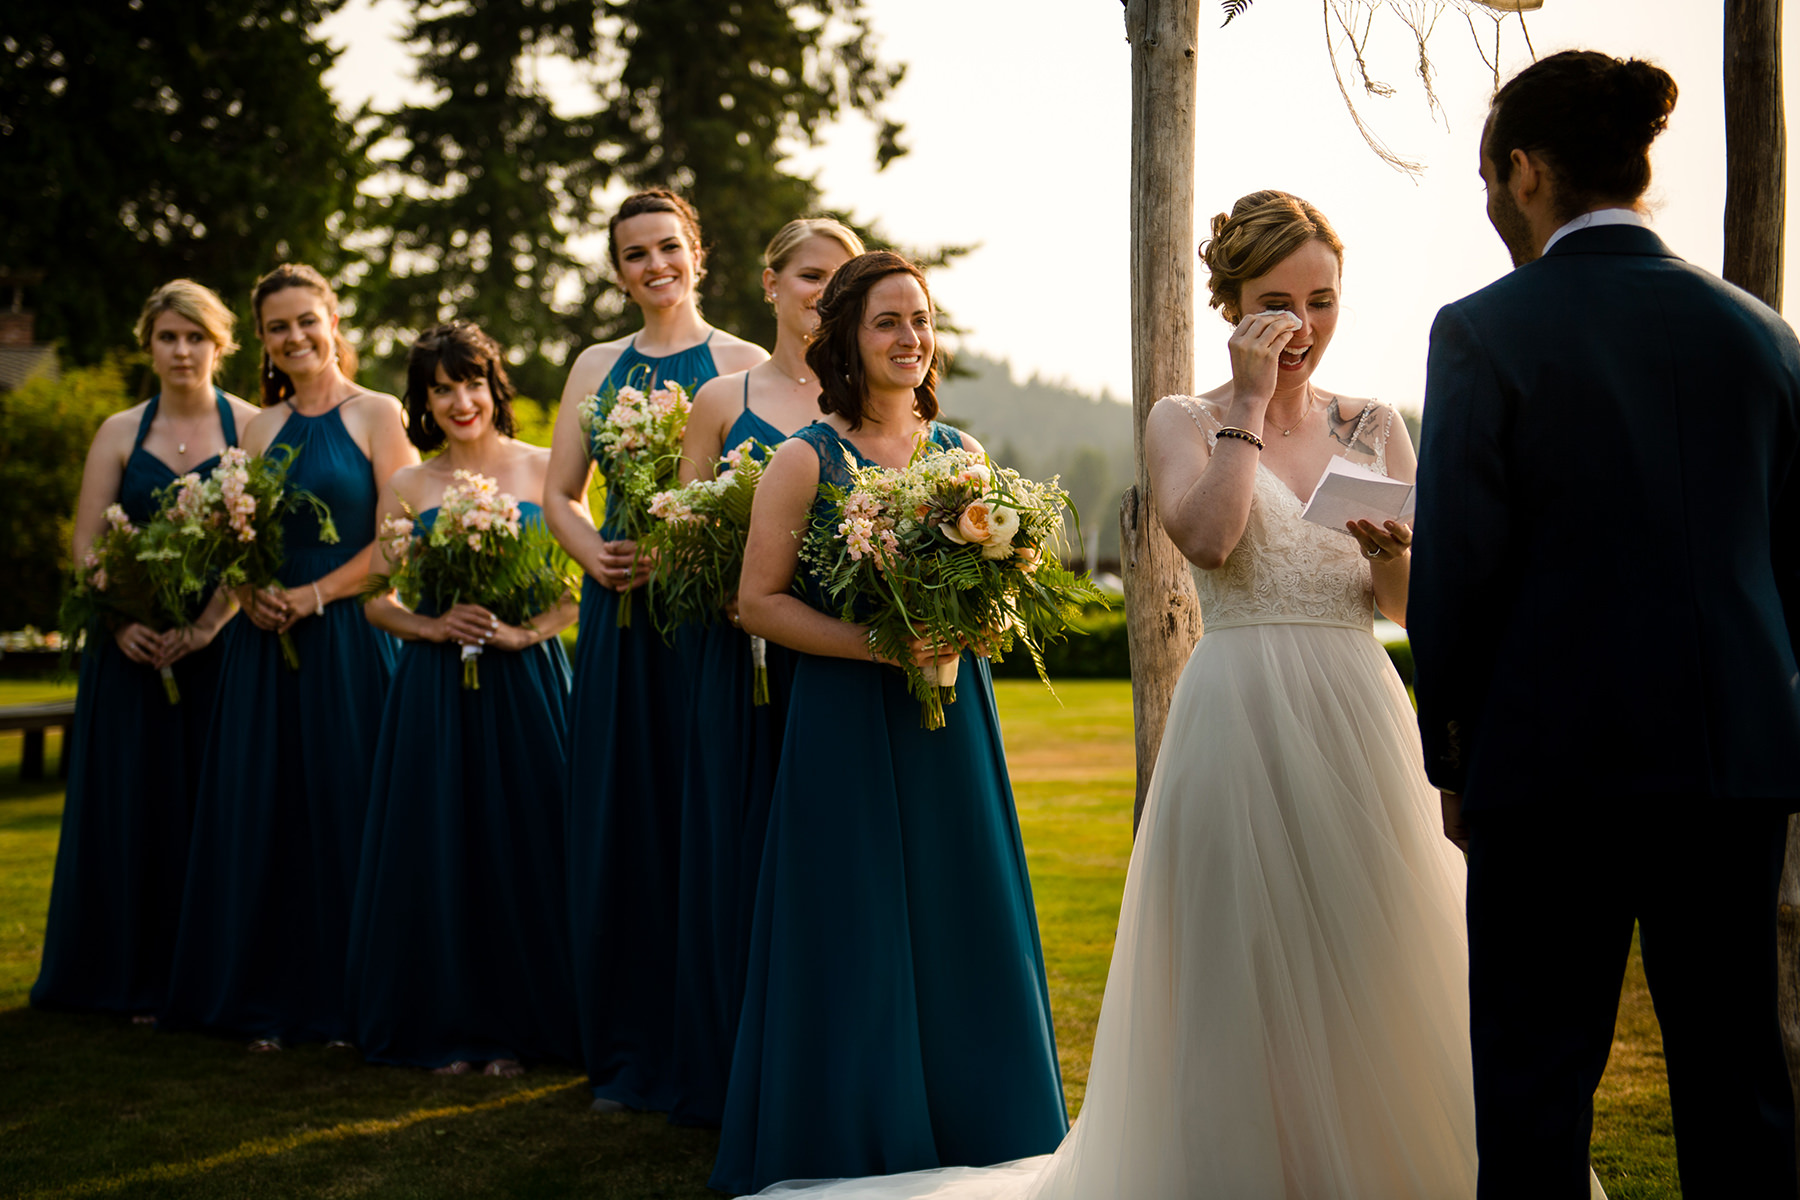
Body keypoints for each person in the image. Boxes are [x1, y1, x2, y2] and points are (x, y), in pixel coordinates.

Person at [1410, 50, 1800, 1198]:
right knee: (1739, 1082)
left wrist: (1454, 758)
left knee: (1535, 1090)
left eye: (1490, 176)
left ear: (1525, 171)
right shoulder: (1765, 337)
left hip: (1548, 773)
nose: (1491, 200)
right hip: (1733, 766)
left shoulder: (1486, 329)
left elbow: (1457, 578)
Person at [713, 250, 1068, 1195]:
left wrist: (979, 622)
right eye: (887, 322)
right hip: (843, 723)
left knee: (963, 906)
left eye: (921, 319)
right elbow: (757, 603)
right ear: (846, 339)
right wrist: (880, 645)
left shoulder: (963, 459)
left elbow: (1000, 597)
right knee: (853, 920)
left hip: (951, 723)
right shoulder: (806, 458)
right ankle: (857, 1123)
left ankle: (986, 1116)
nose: (910, 338)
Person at [543, 188, 766, 1111]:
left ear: (699, 254)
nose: (655, 266)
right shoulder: (596, 365)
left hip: (701, 624)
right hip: (619, 625)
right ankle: (627, 1043)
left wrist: (692, 549)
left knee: (706, 817)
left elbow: (761, 494)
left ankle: (720, 1041)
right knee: (622, 819)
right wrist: (591, 547)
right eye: (635, 254)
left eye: (668, 247)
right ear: (617, 269)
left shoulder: (742, 362)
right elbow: (560, 491)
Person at [161, 263, 416, 1049]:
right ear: (263, 340)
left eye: (307, 320)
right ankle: (268, 997)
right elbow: (238, 534)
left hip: (348, 639)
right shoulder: (259, 428)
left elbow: (399, 539)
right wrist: (249, 593)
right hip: (266, 647)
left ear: (333, 320)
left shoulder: (379, 413)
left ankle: (351, 1000)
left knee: (347, 812)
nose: (295, 337)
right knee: (267, 815)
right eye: (278, 327)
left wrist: (314, 596)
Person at [667, 216, 864, 1127]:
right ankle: (731, 1071)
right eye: (810, 275)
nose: (824, 293)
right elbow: (685, 534)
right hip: (741, 662)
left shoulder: (875, 401)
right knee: (737, 851)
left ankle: (830, 1062)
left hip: (840, 676)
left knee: (834, 865)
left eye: (841, 279)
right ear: (772, 284)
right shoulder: (721, 398)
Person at [348, 321, 581, 1076]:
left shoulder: (547, 468)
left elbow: (581, 591)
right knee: (441, 849)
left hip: (526, 685)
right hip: (435, 692)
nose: (459, 400)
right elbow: (376, 599)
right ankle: (446, 1022)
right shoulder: (409, 485)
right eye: (440, 388)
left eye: (470, 382)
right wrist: (432, 623)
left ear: (494, 387)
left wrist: (524, 634)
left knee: (530, 845)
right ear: (421, 402)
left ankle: (538, 1022)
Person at [31, 280, 259, 1020]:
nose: (183, 351)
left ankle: (205, 975)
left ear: (221, 344)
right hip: (128, 654)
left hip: (218, 653)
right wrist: (121, 618)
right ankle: (120, 973)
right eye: (169, 337)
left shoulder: (252, 427)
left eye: (196, 337)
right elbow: (86, 541)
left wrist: (210, 624)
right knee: (132, 807)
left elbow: (260, 546)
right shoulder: (119, 431)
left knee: (210, 810)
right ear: (149, 345)